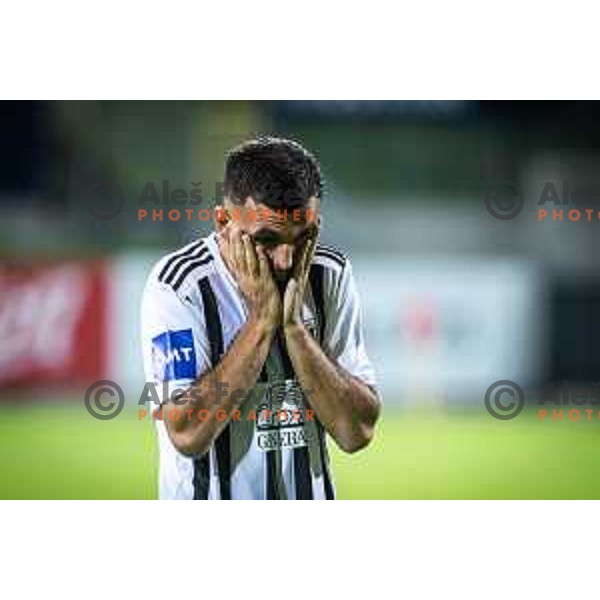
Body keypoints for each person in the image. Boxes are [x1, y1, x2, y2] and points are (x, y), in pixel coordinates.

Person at [141, 136, 381, 499]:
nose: (286, 260)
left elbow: (356, 432)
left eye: (302, 238)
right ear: (224, 221)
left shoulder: (329, 273)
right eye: (267, 240)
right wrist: (261, 322)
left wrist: (294, 329)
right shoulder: (178, 285)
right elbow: (186, 433)